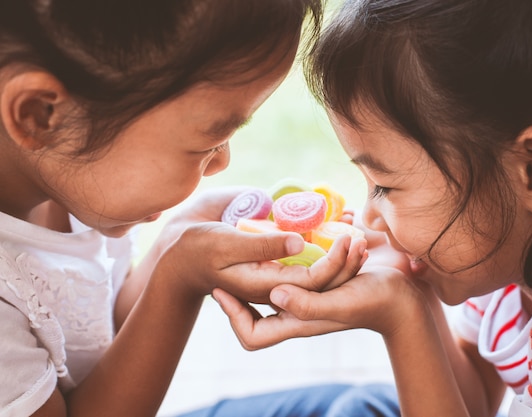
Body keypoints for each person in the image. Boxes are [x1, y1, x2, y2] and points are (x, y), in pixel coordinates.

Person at [212, 0, 532, 416]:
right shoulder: (516, 249)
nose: (369, 217)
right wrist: (414, 294)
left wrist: (401, 319)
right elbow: (472, 404)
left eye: (387, 187)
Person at [0, 1, 402, 416]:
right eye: (208, 141)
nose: (222, 161)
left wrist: (175, 240)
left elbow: (101, 332)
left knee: (372, 406)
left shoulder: (69, 180)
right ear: (40, 115)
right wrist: (179, 280)